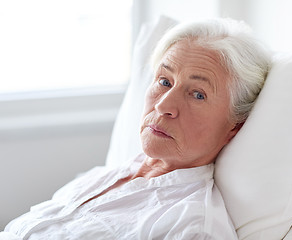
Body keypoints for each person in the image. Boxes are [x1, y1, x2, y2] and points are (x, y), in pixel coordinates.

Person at [1, 18, 271, 239]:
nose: (165, 105)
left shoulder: (190, 227)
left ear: (234, 126)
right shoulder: (101, 177)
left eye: (197, 94)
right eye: (164, 81)